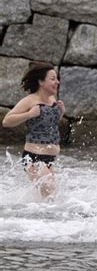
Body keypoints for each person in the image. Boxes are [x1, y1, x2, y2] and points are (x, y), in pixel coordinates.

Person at [2, 61, 65, 200]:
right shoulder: (30, 100)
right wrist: (29, 114)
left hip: (49, 159)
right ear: (41, 81)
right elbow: (7, 121)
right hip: (33, 157)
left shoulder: (52, 99)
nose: (57, 82)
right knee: (50, 193)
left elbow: (48, 126)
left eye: (57, 79)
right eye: (53, 79)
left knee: (51, 197)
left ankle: (34, 218)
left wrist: (60, 112)